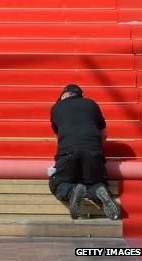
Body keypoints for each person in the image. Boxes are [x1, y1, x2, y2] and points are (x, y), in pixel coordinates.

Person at [49, 84, 120, 220]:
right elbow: (103, 135)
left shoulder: (56, 108)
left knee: (57, 183)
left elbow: (58, 140)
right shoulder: (92, 104)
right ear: (80, 95)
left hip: (68, 151)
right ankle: (100, 190)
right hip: (93, 150)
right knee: (95, 182)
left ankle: (72, 191)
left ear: (64, 95)